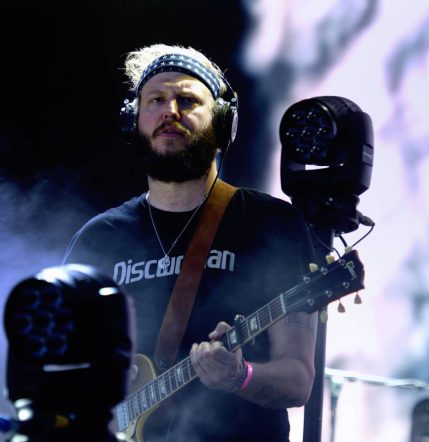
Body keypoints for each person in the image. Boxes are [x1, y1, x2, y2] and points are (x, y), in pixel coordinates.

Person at [63, 43, 318, 442]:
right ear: (134, 119)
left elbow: (298, 381)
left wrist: (240, 376)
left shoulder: (271, 223)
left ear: (222, 123)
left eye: (187, 100)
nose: (170, 112)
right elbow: (62, 371)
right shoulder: (100, 238)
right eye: (156, 100)